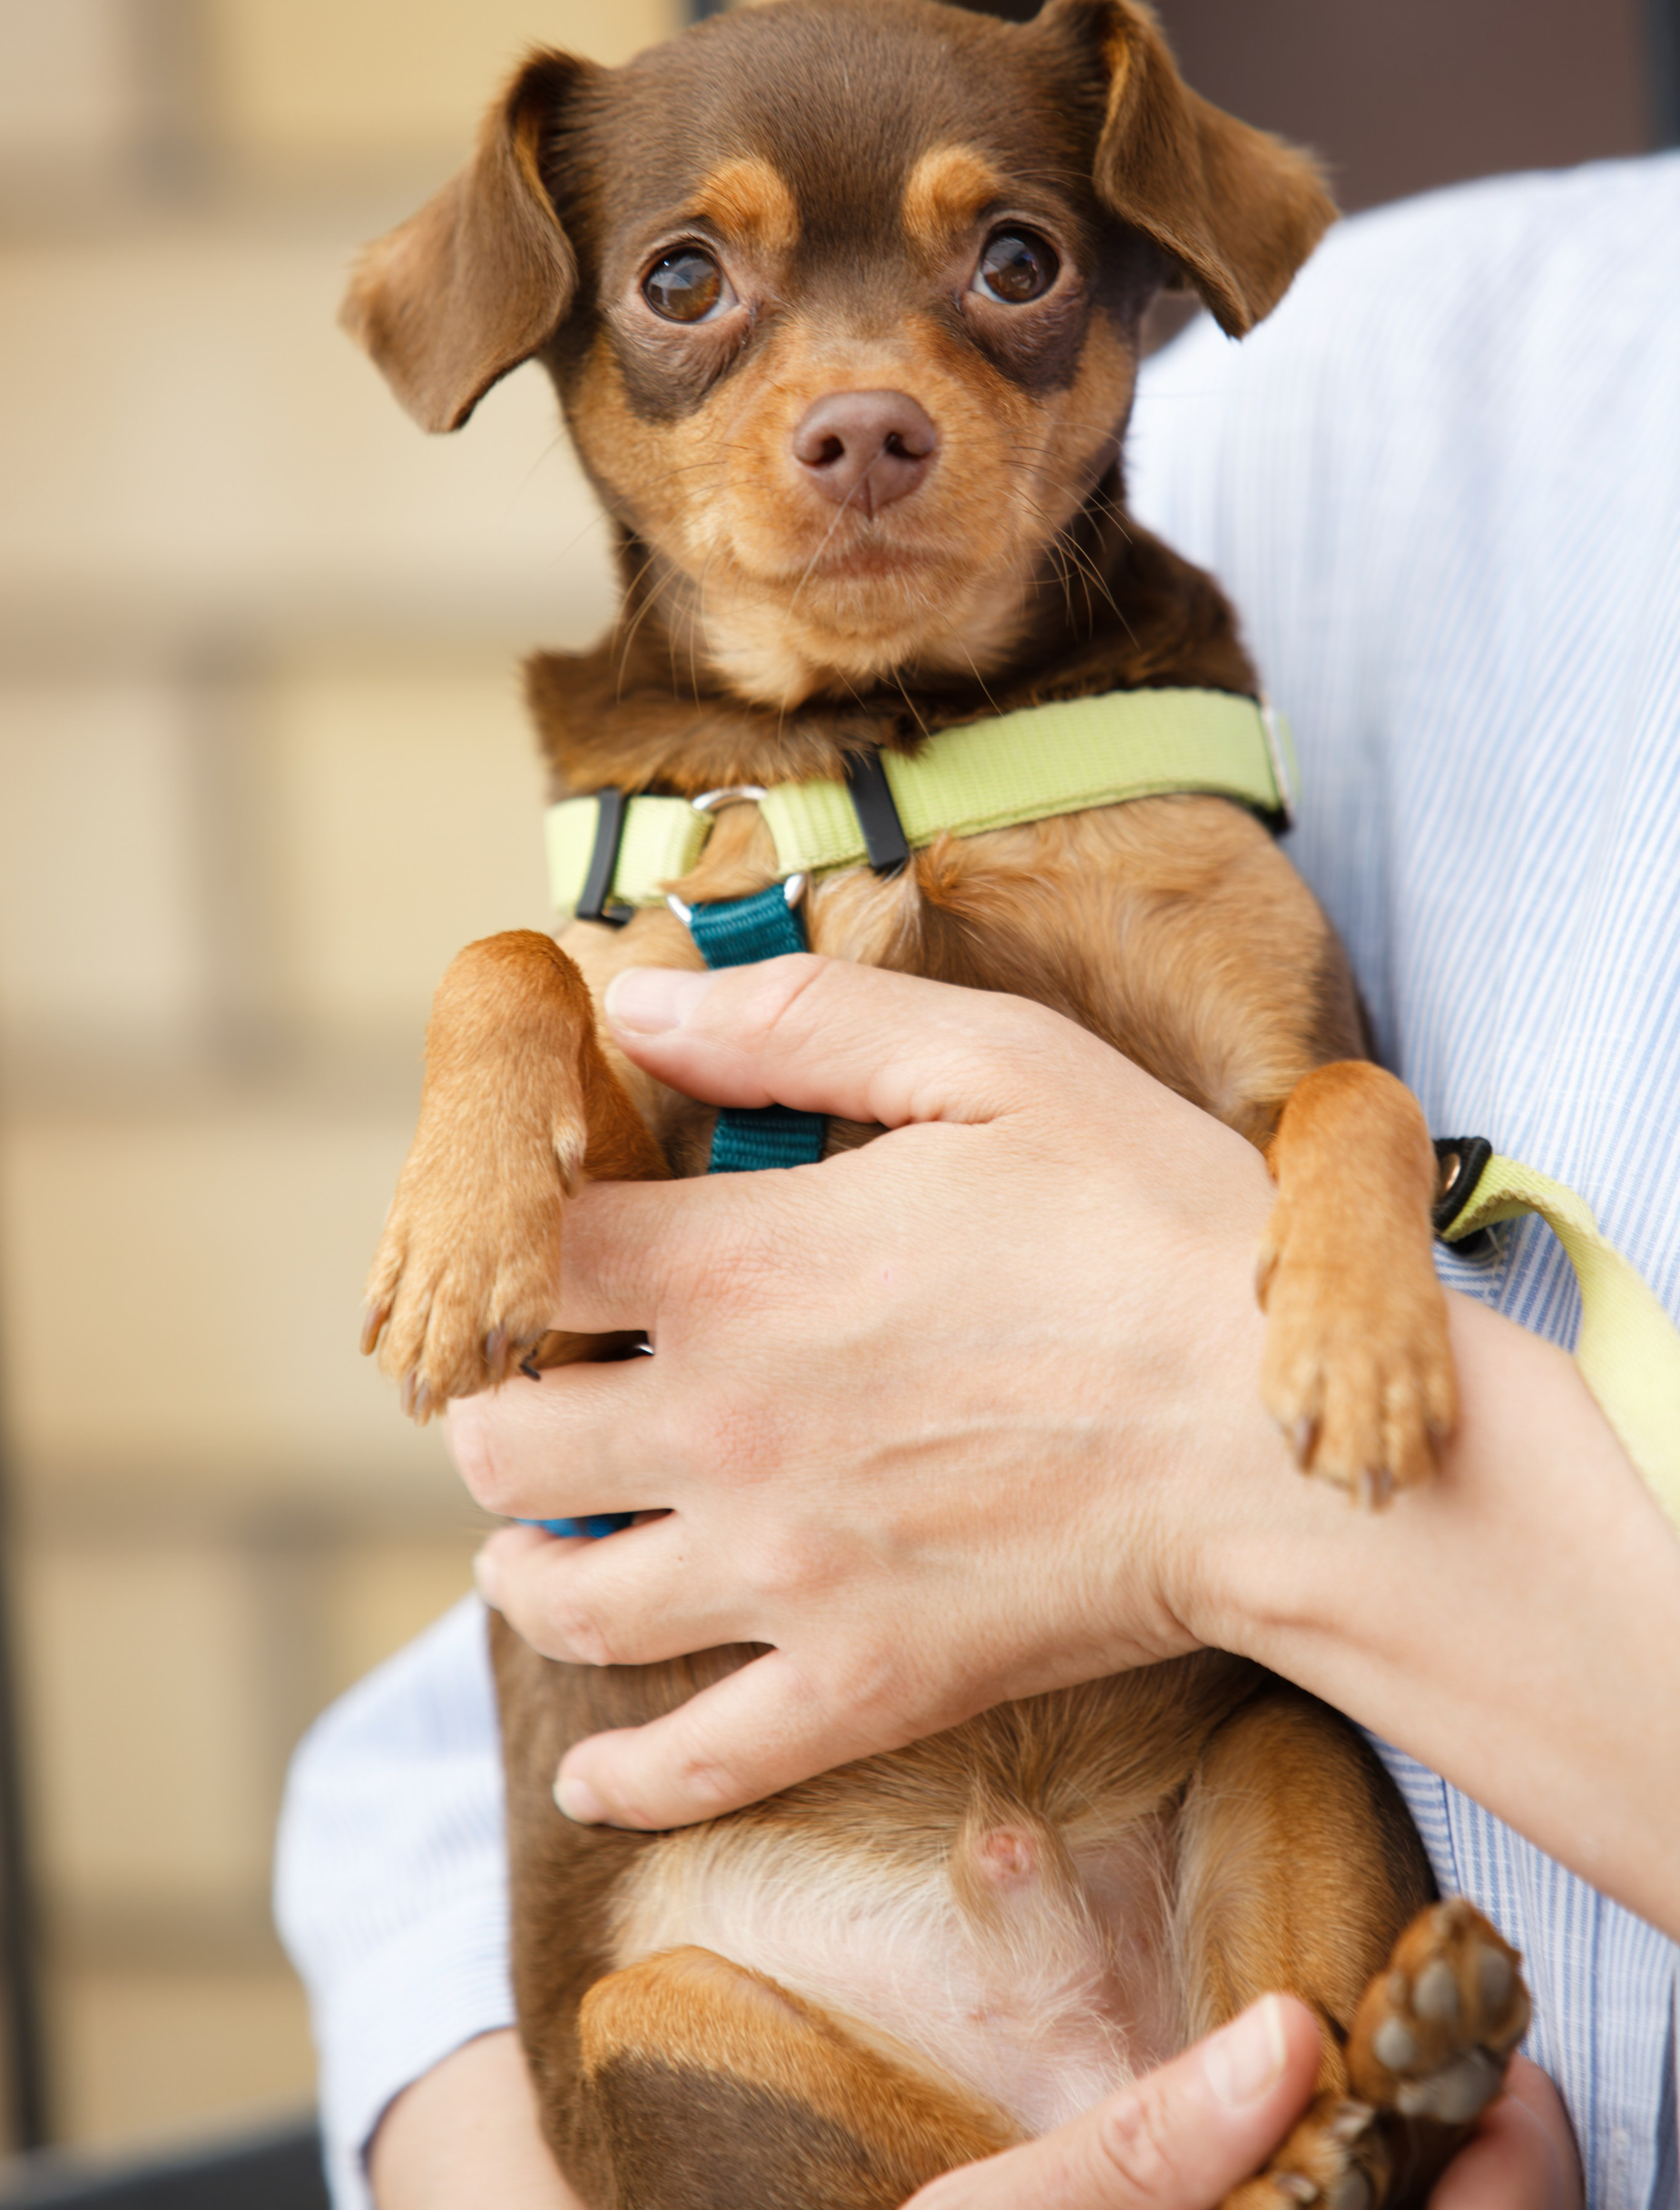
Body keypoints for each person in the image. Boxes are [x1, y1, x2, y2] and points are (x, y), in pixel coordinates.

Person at [276, 152, 1680, 2210]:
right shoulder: (1335, 386)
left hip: (1241, 1890)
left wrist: (1258, 1478)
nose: (864, 401)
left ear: (1103, 296)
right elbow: (455, 1743)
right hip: (784, 1973)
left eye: (1005, 265)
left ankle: (1328, 2142)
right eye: (695, 283)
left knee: (1273, 1768)